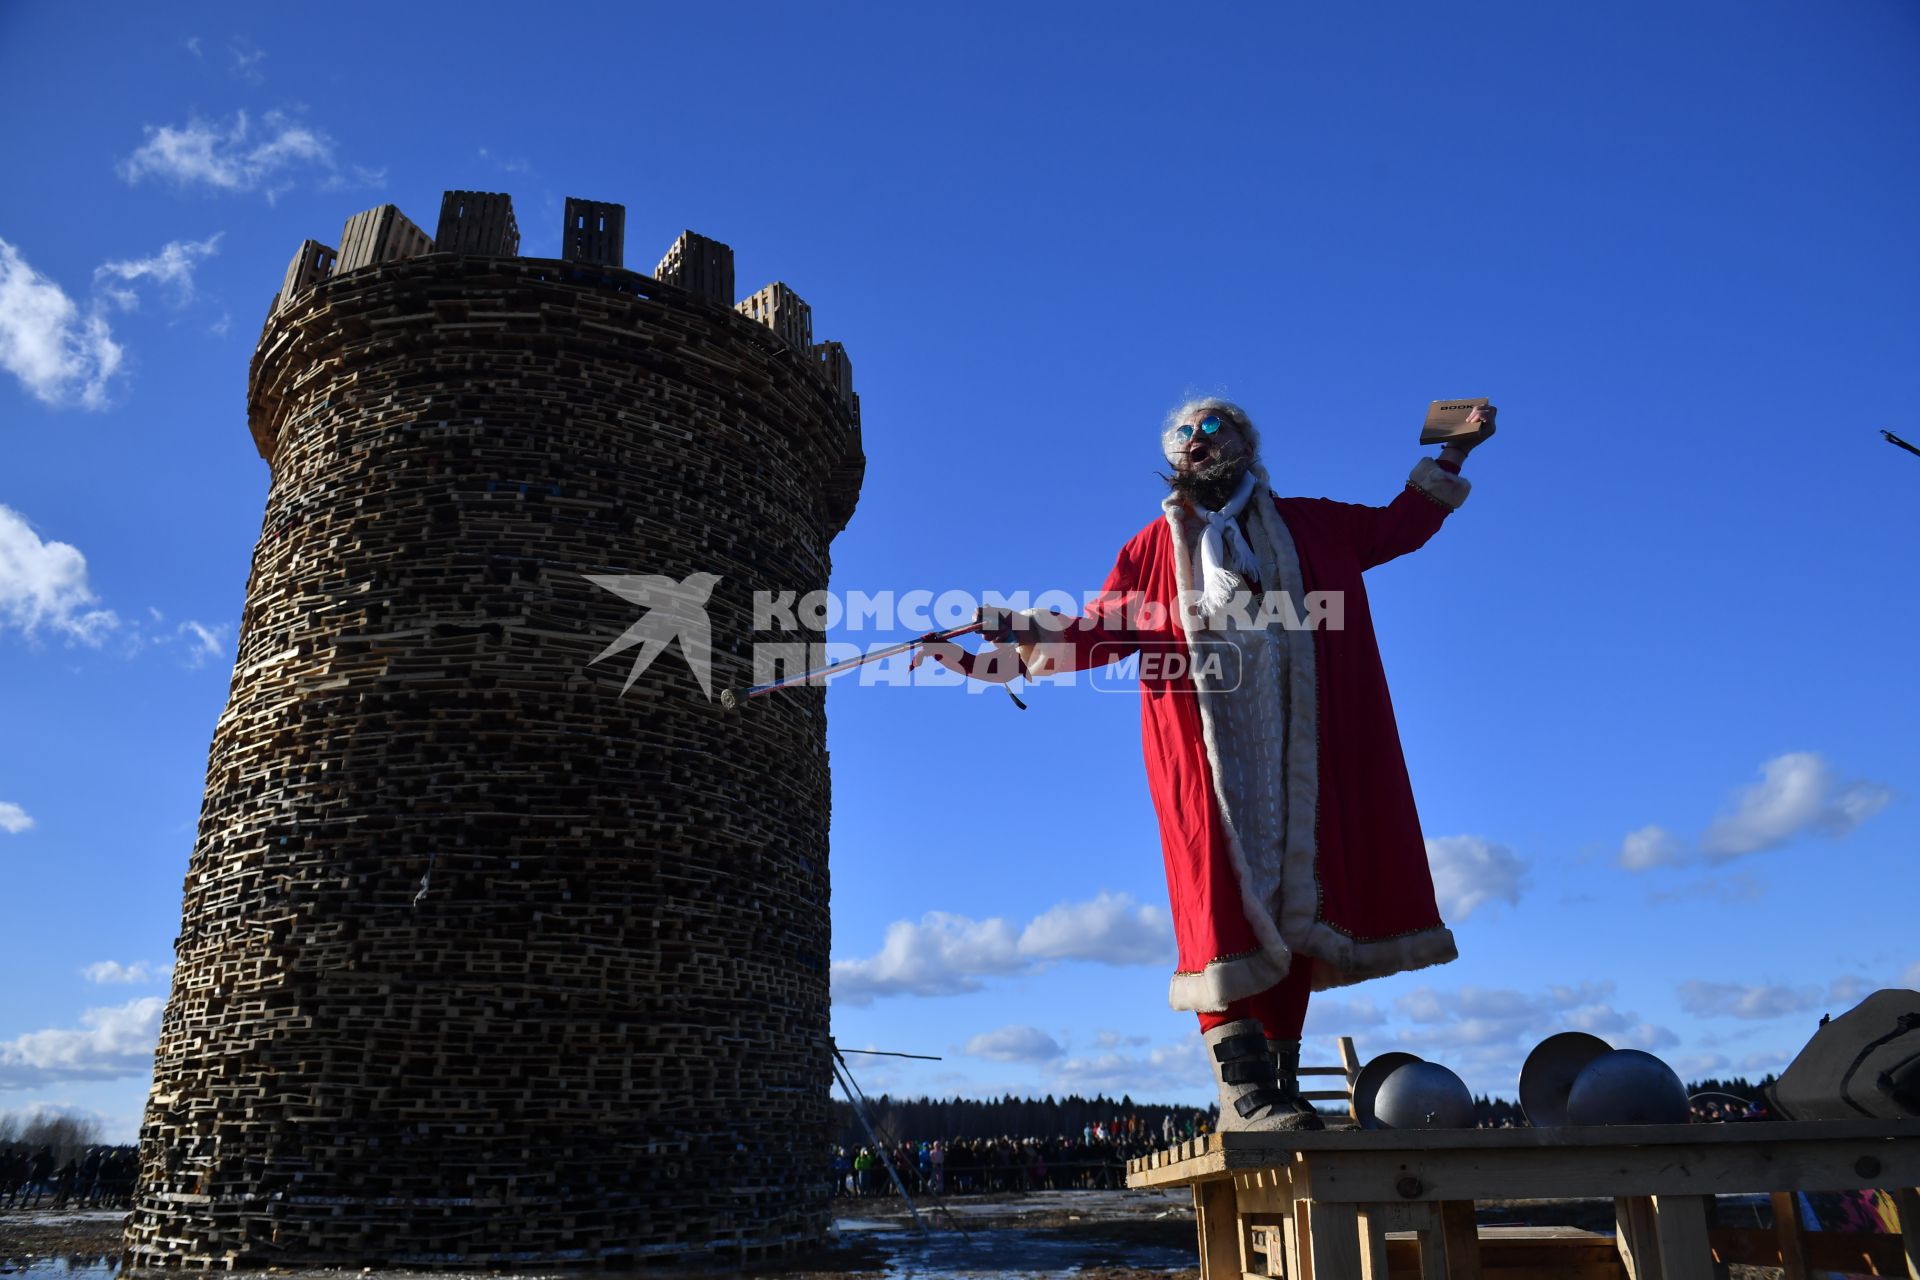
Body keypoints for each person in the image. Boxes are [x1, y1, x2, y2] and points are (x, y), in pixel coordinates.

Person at [926, 397, 1493, 1131]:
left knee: (1297, 903)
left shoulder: (1314, 523)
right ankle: (1242, 1093)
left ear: (1245, 446)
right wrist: (1005, 645)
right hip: (1204, 747)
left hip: (1302, 746)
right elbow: (1102, 632)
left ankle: (1280, 1084)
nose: (1198, 441)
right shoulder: (1150, 551)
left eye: (1213, 429)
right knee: (1217, 894)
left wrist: (1452, 456)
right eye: (1184, 435)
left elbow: (1397, 526)